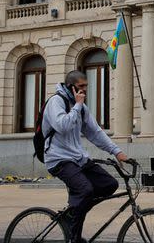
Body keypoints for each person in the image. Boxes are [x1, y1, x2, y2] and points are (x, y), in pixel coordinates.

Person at [43, 70, 128, 243]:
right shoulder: (56, 102)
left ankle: (73, 213)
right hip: (58, 159)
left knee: (109, 184)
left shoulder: (81, 109)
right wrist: (78, 105)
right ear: (70, 87)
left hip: (77, 159)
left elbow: (95, 133)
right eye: (81, 86)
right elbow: (62, 126)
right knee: (85, 189)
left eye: (86, 86)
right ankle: (73, 231)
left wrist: (116, 151)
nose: (84, 90)